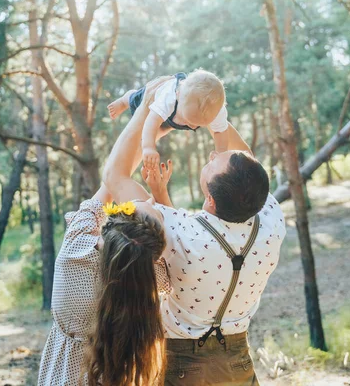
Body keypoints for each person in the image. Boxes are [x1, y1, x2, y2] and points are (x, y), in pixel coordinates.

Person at [103, 78, 286, 385]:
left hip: (184, 364)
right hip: (238, 359)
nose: (214, 155)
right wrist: (215, 108)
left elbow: (114, 175)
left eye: (214, 163)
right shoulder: (270, 219)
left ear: (211, 199)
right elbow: (248, 162)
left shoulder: (181, 231)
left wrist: (145, 109)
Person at [37, 185, 170, 386]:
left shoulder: (75, 251)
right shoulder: (151, 277)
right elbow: (182, 255)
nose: (148, 200)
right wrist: (161, 197)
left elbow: (110, 180)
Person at [107, 69, 230, 169]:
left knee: (164, 126)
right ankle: (124, 100)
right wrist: (148, 147)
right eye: (188, 121)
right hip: (151, 100)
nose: (192, 127)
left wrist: (220, 154)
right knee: (134, 101)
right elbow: (152, 121)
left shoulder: (217, 110)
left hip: (170, 117)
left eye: (198, 125)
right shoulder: (168, 97)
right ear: (178, 95)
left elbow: (221, 131)